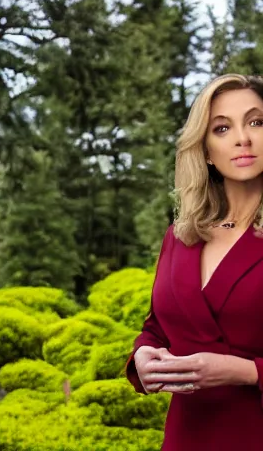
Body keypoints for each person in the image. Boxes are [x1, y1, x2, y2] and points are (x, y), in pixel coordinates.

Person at [125, 73, 263, 450]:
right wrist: (142, 356)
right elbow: (157, 328)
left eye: (256, 121)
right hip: (187, 436)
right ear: (204, 150)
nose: (242, 138)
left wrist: (247, 371)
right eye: (222, 128)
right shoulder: (181, 235)